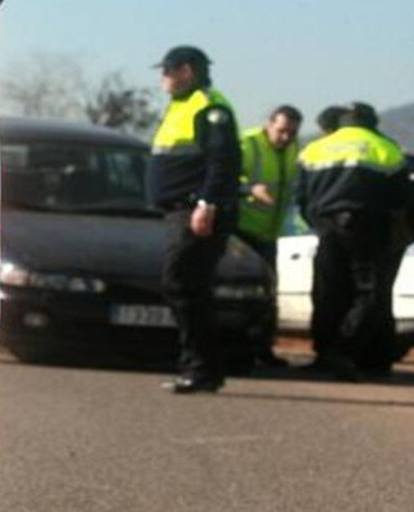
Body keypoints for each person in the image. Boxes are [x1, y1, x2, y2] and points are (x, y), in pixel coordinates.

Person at [147, 45, 241, 393]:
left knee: (182, 283)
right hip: (180, 210)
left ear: (186, 71)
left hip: (195, 211)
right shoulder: (181, 107)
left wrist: (208, 204)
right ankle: (202, 368)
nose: (163, 79)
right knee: (187, 287)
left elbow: (223, 161)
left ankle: (200, 367)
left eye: (167, 71)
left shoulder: (209, 106)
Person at [296, 102, 409, 380]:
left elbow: (301, 197)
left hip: (326, 227)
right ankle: (344, 348)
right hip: (368, 228)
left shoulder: (315, 148)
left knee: (326, 292)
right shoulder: (387, 149)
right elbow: (400, 200)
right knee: (369, 292)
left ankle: (323, 353)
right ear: (373, 123)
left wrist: (318, 223)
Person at [235, 105, 302, 368]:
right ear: (268, 125)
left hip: (269, 234)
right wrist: (249, 188)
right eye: (281, 130)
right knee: (240, 292)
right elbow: (223, 178)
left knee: (268, 294)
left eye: (292, 133)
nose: (285, 137)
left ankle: (263, 348)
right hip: (240, 232)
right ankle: (237, 345)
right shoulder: (248, 144)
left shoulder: (294, 150)